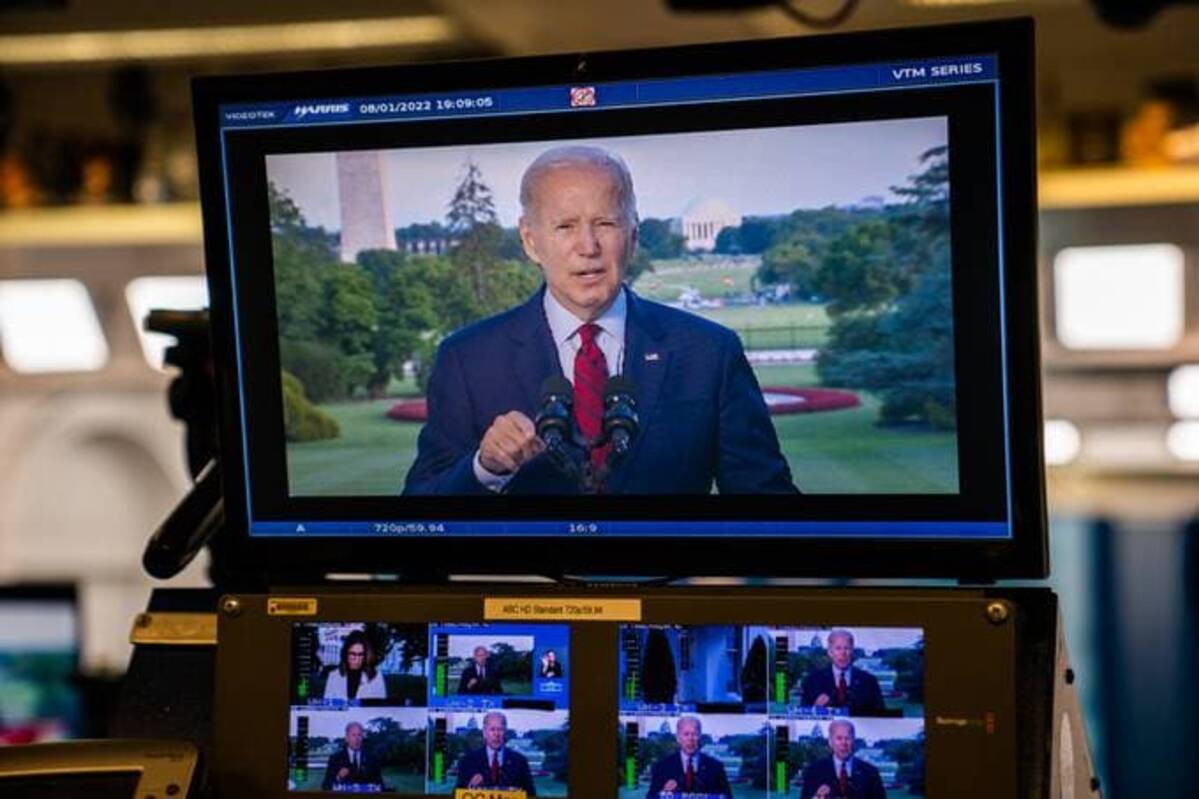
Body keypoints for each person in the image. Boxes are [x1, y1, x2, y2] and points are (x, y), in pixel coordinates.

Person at [403, 145, 797, 495]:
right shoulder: (468, 359)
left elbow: (770, 507)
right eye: (565, 226)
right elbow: (418, 521)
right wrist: (485, 468)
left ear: (633, 236)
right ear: (530, 241)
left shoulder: (709, 353)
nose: (588, 247)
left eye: (605, 224)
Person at [800, 630, 885, 716]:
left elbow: (881, 717)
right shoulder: (812, 681)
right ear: (830, 652)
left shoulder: (869, 681)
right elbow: (801, 717)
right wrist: (815, 709)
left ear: (852, 651)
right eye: (838, 648)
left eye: (847, 648)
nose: (843, 653)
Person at [645, 716, 731, 799]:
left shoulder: (716, 767)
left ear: (700, 737)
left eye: (695, 734)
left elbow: (727, 797)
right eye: (686, 734)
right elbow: (651, 797)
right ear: (678, 738)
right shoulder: (662, 767)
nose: (690, 739)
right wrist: (664, 792)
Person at [799, 720, 886, 799]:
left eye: (847, 738)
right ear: (830, 742)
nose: (843, 743)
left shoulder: (871, 773)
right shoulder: (814, 771)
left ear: (853, 741)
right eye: (839, 738)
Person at [454, 711, 537, 794]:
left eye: (500, 729)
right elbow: (456, 794)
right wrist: (470, 786)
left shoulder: (520, 762)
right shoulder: (468, 761)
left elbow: (531, 794)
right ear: (484, 733)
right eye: (492, 729)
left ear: (505, 732)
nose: (496, 734)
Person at [323, 630, 386, 702]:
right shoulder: (333, 676)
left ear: (365, 656)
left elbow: (380, 707)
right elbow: (327, 706)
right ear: (345, 654)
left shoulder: (376, 677)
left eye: (360, 655)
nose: (356, 659)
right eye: (352, 654)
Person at [321, 721, 385, 792]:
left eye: (359, 735)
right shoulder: (335, 759)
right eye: (353, 735)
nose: (357, 739)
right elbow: (325, 786)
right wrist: (338, 777)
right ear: (347, 738)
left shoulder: (372, 759)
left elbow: (380, 786)